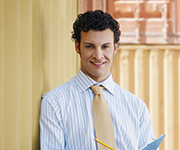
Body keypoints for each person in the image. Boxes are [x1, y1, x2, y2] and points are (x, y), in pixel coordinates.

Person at [39, 10, 156, 150]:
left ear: (115, 48)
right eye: (90, 46)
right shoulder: (55, 103)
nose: (98, 56)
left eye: (105, 47)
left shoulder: (137, 108)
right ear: (77, 47)